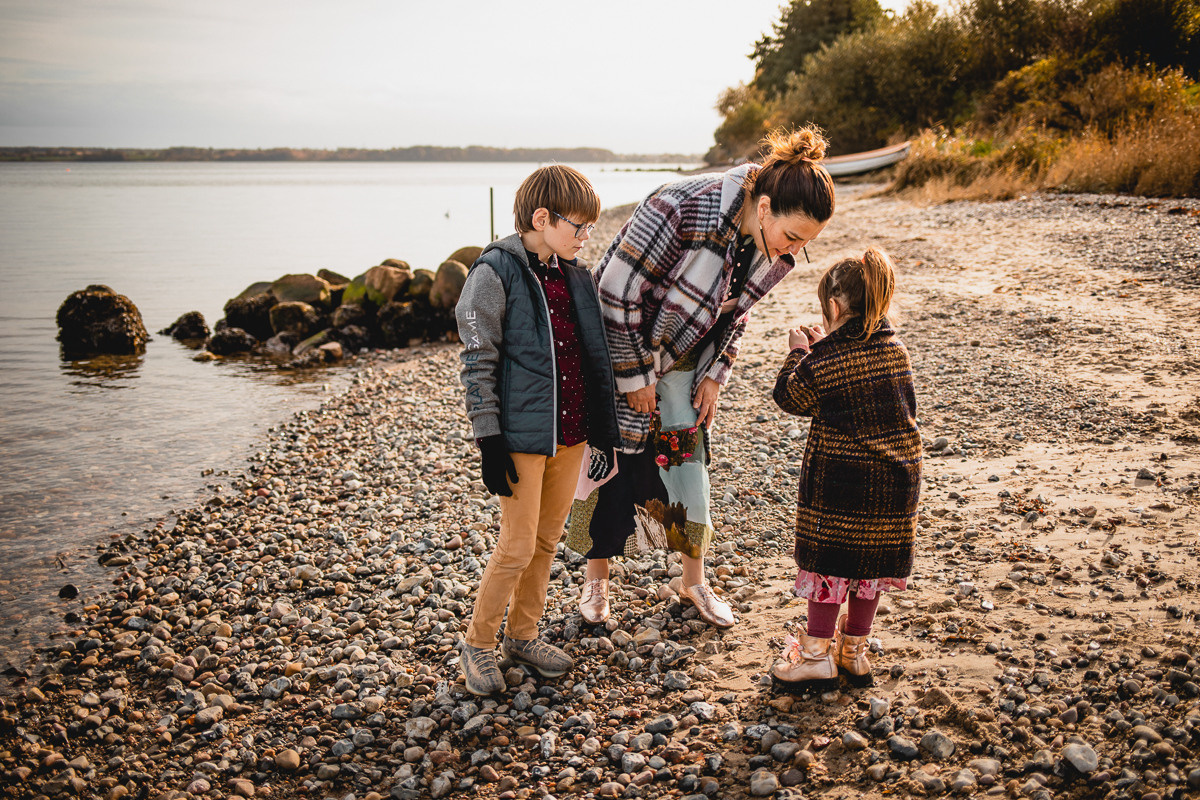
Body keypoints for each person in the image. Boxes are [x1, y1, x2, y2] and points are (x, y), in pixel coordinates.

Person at [565, 126, 836, 629]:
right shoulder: (681, 206)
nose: (791, 251)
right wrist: (635, 376)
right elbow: (612, 292)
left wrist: (716, 373)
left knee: (688, 472)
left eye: (805, 244)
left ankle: (693, 582)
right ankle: (596, 583)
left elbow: (739, 311)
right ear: (764, 207)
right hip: (625, 356)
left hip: (689, 370)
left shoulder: (766, 243)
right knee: (608, 468)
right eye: (793, 236)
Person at [454, 164, 620, 696]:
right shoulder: (495, 272)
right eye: (579, 226)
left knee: (548, 540)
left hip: (570, 433)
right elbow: (478, 360)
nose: (585, 236)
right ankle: (478, 643)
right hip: (521, 437)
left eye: (590, 228)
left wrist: (601, 430)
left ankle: (522, 634)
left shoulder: (574, 276)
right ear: (542, 218)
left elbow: (591, 359)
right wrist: (489, 439)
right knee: (517, 545)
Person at [769, 247, 922, 691]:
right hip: (897, 482)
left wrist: (799, 352)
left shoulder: (824, 360)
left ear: (834, 307)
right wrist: (821, 349)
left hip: (843, 485)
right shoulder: (896, 349)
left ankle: (816, 654)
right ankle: (854, 652)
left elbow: (790, 397)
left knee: (830, 567)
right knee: (869, 569)